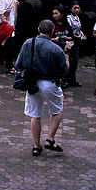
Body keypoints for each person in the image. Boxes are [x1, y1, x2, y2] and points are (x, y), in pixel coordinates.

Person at [15, 19, 71, 157]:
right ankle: (50, 138)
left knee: (35, 114)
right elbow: (64, 70)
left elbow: (18, 64)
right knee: (57, 110)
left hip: (31, 83)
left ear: (38, 29)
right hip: (50, 83)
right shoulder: (56, 49)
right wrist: (67, 54)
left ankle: (36, 146)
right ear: (52, 32)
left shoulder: (28, 43)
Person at [50, 5, 74, 88]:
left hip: (65, 48)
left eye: (56, 13)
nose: (55, 15)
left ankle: (64, 80)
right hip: (55, 48)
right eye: (53, 14)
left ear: (62, 14)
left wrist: (67, 38)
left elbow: (72, 36)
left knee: (66, 65)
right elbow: (46, 38)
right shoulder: (52, 25)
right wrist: (54, 39)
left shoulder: (66, 25)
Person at [66, 1, 86, 87]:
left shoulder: (77, 17)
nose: (77, 10)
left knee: (75, 61)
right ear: (70, 9)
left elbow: (78, 28)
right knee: (69, 61)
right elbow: (68, 30)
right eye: (75, 8)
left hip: (76, 41)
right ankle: (65, 80)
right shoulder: (68, 18)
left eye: (78, 8)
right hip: (69, 41)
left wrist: (81, 34)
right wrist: (74, 36)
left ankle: (72, 79)